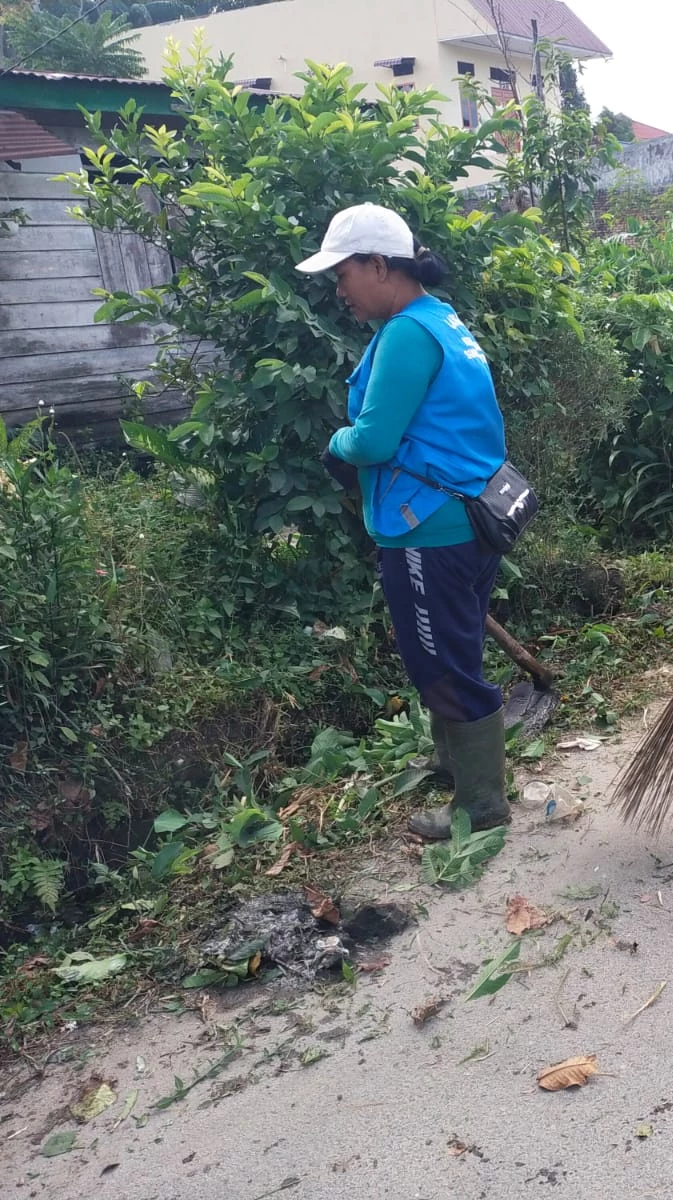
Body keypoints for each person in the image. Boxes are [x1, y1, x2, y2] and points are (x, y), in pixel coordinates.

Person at [296, 203, 511, 840]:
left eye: (343, 273)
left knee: (439, 663)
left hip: (428, 530)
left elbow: (374, 441)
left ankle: (482, 804)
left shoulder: (406, 335)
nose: (339, 288)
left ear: (380, 266)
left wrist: (336, 442)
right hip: (472, 518)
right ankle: (455, 765)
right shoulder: (442, 321)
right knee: (455, 645)